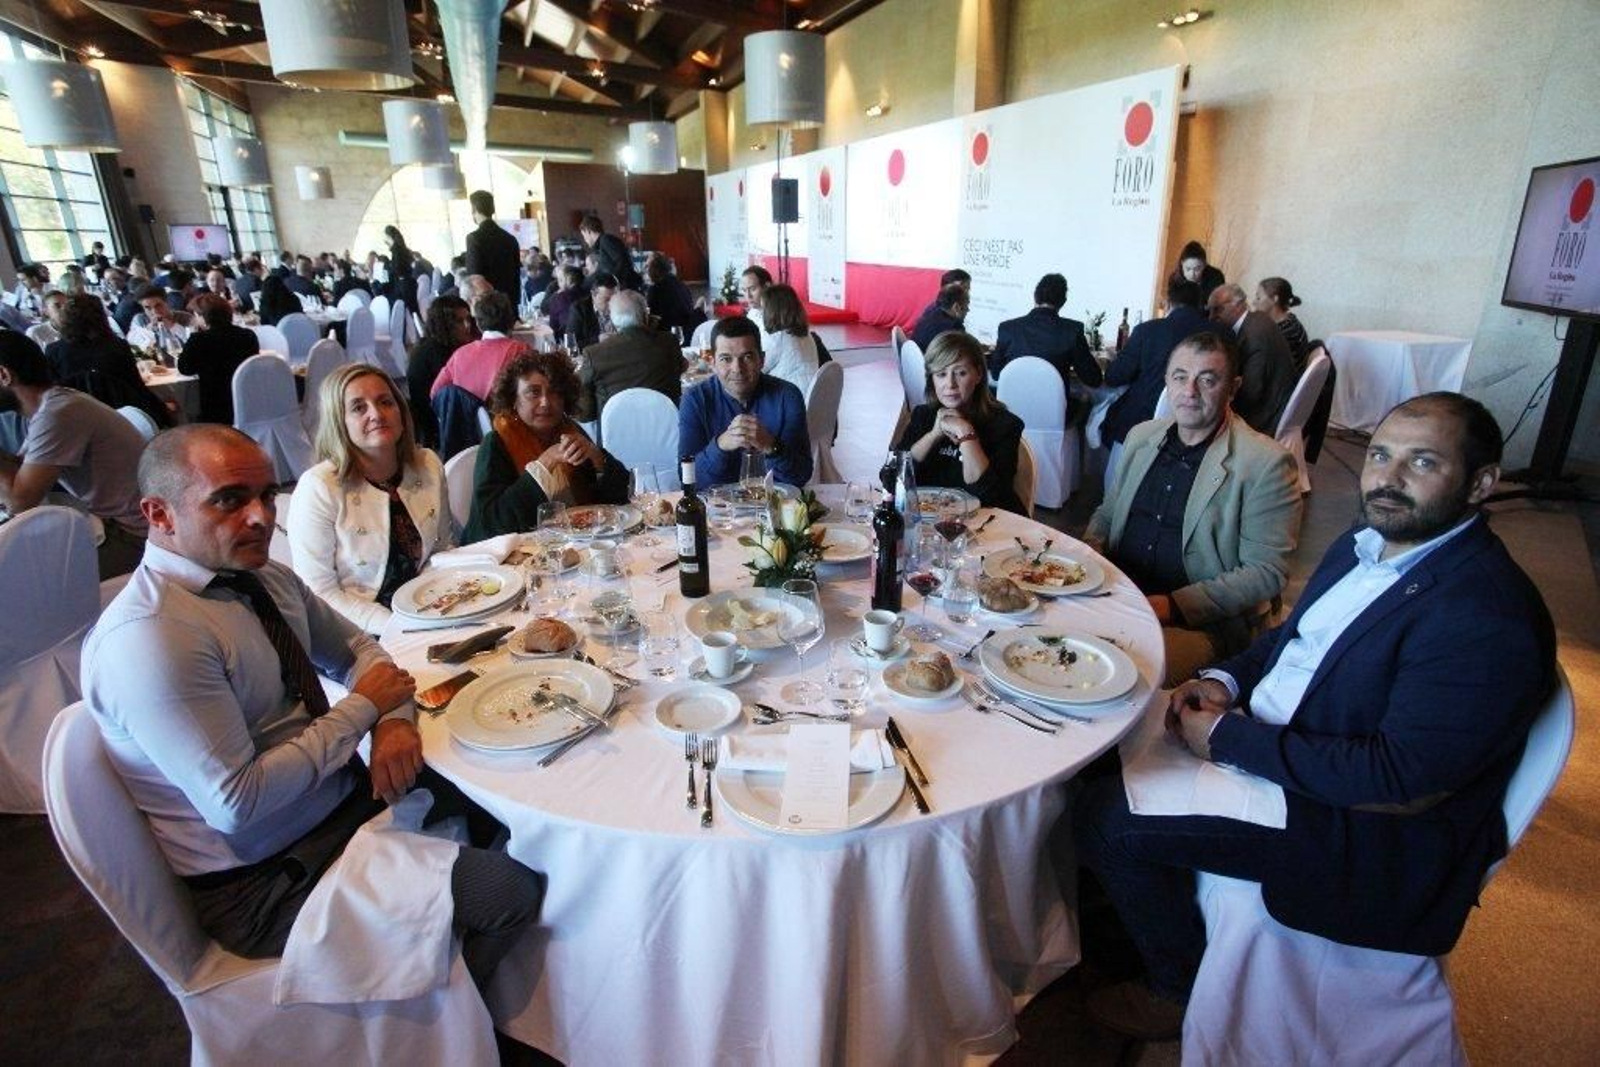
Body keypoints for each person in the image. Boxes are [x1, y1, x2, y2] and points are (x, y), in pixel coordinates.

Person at [1073, 392, 1555, 1040]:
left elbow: (1399, 781)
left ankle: (1176, 985)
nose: (1388, 477)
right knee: (1093, 740)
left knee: (1106, 818)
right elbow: (1292, 638)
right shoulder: (1370, 544)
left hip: (1351, 824)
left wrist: (1227, 738)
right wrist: (1220, 679)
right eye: (1380, 454)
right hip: (1286, 744)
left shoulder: (1485, 615)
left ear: (1481, 483)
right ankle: (1125, 918)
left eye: (1423, 462)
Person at [83, 424, 541, 987]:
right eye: (228, 500)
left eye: (264, 494)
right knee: (510, 891)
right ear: (159, 515)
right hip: (268, 878)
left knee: (517, 798)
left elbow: (360, 651)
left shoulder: (262, 576)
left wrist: (393, 723)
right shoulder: (151, 637)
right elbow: (237, 803)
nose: (260, 517)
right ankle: (443, 1016)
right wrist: (364, 709)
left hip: (337, 801)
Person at [1085, 331, 1302, 684]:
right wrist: (1087, 559)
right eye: (1180, 377)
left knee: (1118, 673)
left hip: (1201, 623)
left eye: (1207, 380)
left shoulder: (1264, 463)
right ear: (1167, 381)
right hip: (1119, 593)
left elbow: (1266, 571)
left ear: (1232, 388)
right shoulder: (1142, 437)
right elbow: (1108, 515)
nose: (1190, 391)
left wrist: (1170, 605)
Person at [287, 366, 453, 633]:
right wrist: (398, 627)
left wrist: (445, 609)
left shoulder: (428, 464)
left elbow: (441, 551)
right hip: (359, 630)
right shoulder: (318, 487)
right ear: (339, 422)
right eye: (358, 408)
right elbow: (319, 593)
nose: (376, 414)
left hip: (429, 608)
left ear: (401, 411)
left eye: (385, 402)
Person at [0, 332, 149, 577]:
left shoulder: (58, 414)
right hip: (117, 522)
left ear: (4, 374)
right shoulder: (53, 405)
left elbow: (20, 501)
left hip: (135, 535)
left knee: (25, 578)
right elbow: (21, 468)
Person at [464, 350, 629, 541]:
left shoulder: (569, 431)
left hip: (573, 544)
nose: (545, 402)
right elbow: (491, 523)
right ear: (514, 400)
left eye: (555, 392)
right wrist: (544, 464)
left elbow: (621, 499)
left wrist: (598, 458)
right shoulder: (496, 444)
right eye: (533, 393)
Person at [894, 331, 1025, 514]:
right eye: (941, 374)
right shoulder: (923, 416)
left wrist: (965, 432)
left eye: (961, 373)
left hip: (986, 523)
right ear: (932, 378)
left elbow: (991, 497)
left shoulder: (1005, 425)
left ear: (978, 374)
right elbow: (892, 480)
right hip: (929, 522)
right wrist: (933, 435)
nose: (950, 384)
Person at [679, 316, 813, 490]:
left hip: (773, 504)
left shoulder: (787, 396)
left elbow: (801, 476)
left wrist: (771, 446)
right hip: (714, 506)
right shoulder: (694, 400)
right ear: (712, 362)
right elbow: (687, 480)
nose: (737, 369)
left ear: (761, 360)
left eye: (747, 357)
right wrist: (720, 446)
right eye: (726, 359)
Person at [1101, 278, 1211, 448]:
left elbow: (1115, 377)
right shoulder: (1222, 333)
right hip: (1200, 429)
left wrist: (1116, 358)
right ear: (1200, 305)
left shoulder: (1147, 330)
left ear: (1168, 303)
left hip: (1140, 425)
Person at [46, 293, 173, 429]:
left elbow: (53, 394)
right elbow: (136, 387)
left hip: (75, 421)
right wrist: (163, 409)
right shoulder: (116, 346)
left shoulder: (54, 351)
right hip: (121, 418)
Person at [988, 273, 1105, 399]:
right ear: (1063, 302)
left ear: (1035, 296)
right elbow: (1093, 380)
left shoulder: (1007, 328)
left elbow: (996, 374)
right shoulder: (1072, 331)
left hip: (1011, 406)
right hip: (1054, 407)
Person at [575, 290, 683, 423]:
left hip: (614, 431)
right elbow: (680, 369)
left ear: (613, 319)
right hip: (666, 427)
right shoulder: (669, 342)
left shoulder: (594, 354)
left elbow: (585, 414)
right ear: (645, 315)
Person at [1206, 283, 1297, 434]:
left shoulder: (1253, 337)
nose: (1211, 317)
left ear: (1237, 304)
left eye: (1217, 309)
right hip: (1276, 403)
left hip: (1266, 417)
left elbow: (1250, 394)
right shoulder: (1259, 318)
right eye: (1209, 310)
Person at [430, 291, 533, 404]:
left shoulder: (460, 354)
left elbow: (435, 392)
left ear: (478, 324)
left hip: (467, 415)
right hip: (505, 414)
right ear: (511, 322)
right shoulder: (522, 350)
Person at [178, 293, 260, 425]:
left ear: (203, 317)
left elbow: (184, 369)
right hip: (247, 401)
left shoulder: (199, 340)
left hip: (215, 407)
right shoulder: (247, 335)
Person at [407, 294, 473, 448]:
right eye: (459, 321)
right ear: (445, 325)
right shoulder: (437, 354)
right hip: (438, 423)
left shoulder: (435, 345)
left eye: (468, 319)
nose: (467, 325)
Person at [758, 284, 821, 395]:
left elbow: (757, 369)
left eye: (763, 309)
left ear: (772, 311)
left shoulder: (777, 338)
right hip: (811, 395)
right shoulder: (807, 335)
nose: (761, 313)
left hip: (789, 397)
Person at [463, 190, 521, 303]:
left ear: (474, 209)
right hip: (509, 301)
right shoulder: (510, 239)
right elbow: (516, 276)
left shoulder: (474, 239)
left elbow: (475, 278)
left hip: (488, 304)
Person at [1252, 276, 1310, 371]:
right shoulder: (1290, 320)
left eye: (1258, 298)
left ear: (1275, 299)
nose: (1254, 302)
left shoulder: (1284, 334)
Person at [578, 213, 640, 290]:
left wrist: (614, 283)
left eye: (584, 235)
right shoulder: (602, 243)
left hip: (622, 288)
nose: (585, 240)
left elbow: (622, 262)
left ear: (588, 231)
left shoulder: (606, 240)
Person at [644, 254, 701, 335]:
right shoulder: (681, 284)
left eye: (647, 266)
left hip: (668, 336)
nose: (645, 269)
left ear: (656, 269)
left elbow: (653, 322)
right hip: (688, 331)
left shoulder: (655, 289)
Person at [910, 282, 968, 352]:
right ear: (956, 307)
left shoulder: (929, 311)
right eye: (966, 305)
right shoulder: (955, 329)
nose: (968, 310)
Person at [542, 265, 584, 339]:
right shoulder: (589, 293)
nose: (558, 284)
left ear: (570, 280)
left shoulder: (559, 297)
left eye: (561, 280)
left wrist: (555, 295)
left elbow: (553, 326)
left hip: (566, 338)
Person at [382, 225, 419, 311]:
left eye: (386, 238)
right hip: (409, 285)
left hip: (403, 288)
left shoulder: (396, 251)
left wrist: (387, 268)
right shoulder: (403, 249)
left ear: (389, 237)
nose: (385, 241)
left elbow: (397, 270)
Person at [739, 265, 773, 330]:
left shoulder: (780, 316)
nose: (748, 296)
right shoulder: (752, 313)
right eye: (744, 290)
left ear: (766, 287)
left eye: (752, 289)